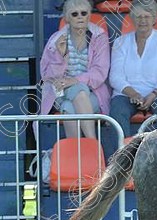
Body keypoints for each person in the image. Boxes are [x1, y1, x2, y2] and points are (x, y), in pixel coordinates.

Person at [108, 0, 157, 142]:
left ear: (154, 19)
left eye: (147, 17)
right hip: (128, 93)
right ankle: (124, 158)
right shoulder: (120, 42)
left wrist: (153, 94)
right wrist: (133, 93)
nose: (142, 21)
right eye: (138, 17)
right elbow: (115, 76)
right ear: (132, 19)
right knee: (117, 112)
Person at [40, 0, 110, 139]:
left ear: (89, 15)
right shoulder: (56, 40)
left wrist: (74, 80)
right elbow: (47, 74)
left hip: (93, 93)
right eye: (74, 14)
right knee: (78, 93)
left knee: (69, 107)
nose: (80, 17)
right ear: (67, 18)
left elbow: (100, 72)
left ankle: (76, 153)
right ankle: (93, 144)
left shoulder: (99, 37)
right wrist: (61, 56)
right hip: (61, 92)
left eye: (84, 13)